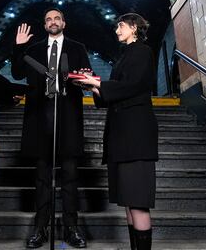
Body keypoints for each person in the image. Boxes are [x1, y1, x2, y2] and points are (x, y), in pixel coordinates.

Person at [75, 13, 158, 250]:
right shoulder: (124, 56)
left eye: (120, 26)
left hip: (136, 137)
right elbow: (110, 97)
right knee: (128, 202)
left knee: (138, 203)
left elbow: (132, 86)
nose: (116, 30)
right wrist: (92, 86)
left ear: (134, 27)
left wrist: (98, 83)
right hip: (121, 136)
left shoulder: (143, 52)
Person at [11, 8, 91, 249]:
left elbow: (87, 76)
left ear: (64, 23)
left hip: (68, 117)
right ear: (45, 25)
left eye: (57, 18)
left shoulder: (77, 48)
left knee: (70, 176)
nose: (52, 22)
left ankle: (71, 229)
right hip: (40, 118)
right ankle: (40, 229)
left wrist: (83, 77)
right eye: (48, 19)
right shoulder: (33, 49)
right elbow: (16, 73)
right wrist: (18, 47)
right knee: (42, 177)